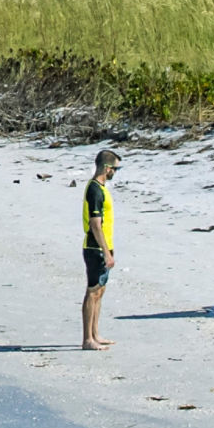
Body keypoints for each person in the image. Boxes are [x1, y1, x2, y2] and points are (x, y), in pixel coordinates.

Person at [82, 150, 121, 350]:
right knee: (93, 291)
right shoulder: (95, 189)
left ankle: (95, 333)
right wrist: (105, 252)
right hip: (95, 247)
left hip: (105, 246)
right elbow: (95, 224)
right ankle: (87, 338)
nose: (116, 172)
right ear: (107, 168)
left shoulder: (102, 188)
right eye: (115, 168)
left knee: (101, 290)